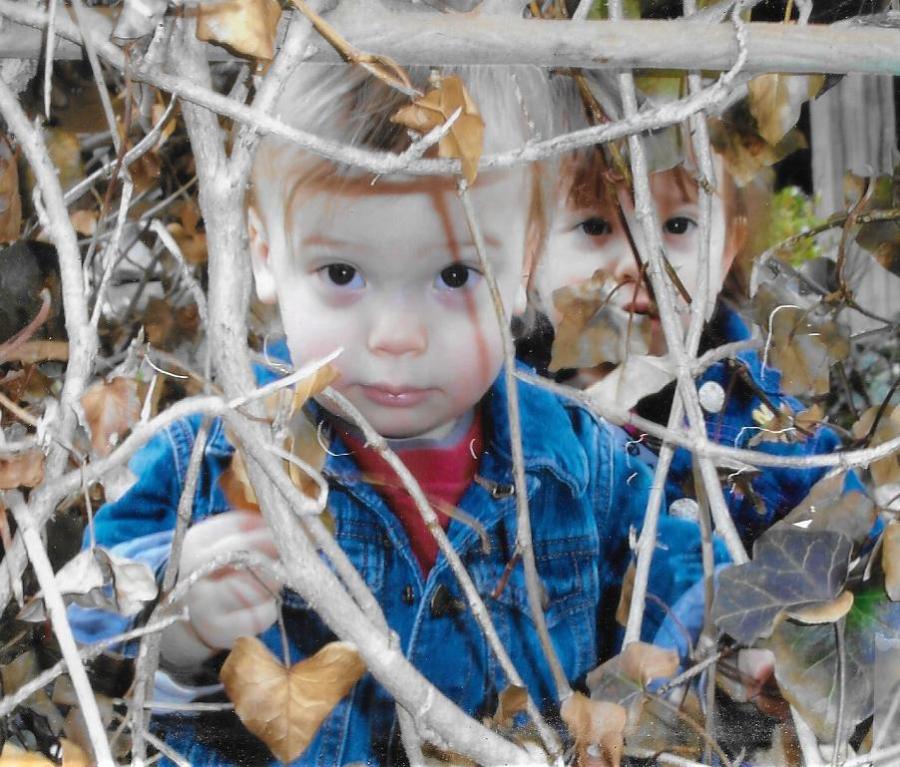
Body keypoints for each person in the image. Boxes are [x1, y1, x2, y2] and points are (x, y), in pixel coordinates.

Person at [70, 63, 721, 766]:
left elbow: (678, 563)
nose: (397, 336)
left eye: (454, 275)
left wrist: (707, 645)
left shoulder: (576, 457)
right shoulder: (211, 452)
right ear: (263, 254)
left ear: (526, 263)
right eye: (342, 274)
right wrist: (178, 623)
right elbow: (77, 625)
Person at [527, 74, 852, 551]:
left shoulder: (770, 427)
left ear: (726, 252)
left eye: (678, 226)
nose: (639, 261)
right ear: (528, 250)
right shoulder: (503, 414)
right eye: (593, 226)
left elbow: (852, 541)